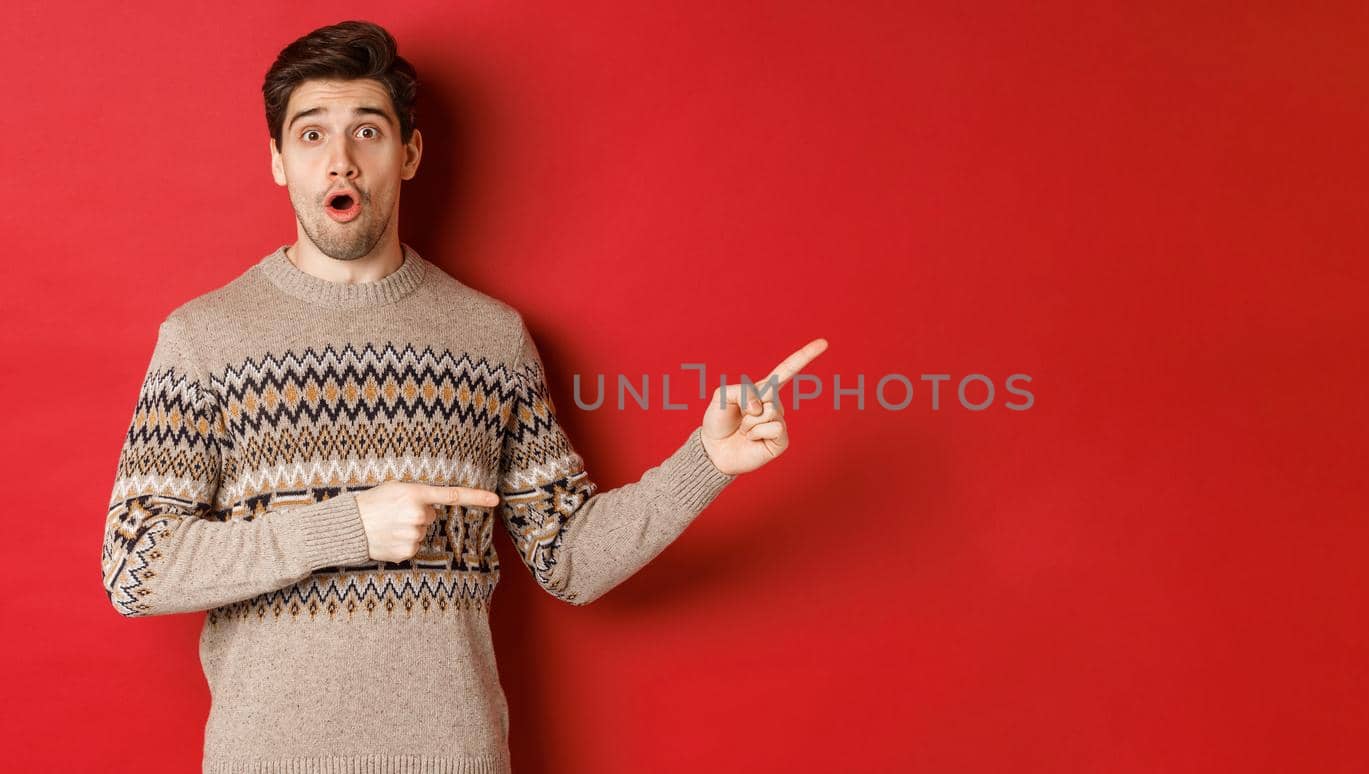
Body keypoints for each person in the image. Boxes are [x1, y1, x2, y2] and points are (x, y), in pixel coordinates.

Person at [98, 19, 827, 773]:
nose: (340, 161)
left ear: (407, 153)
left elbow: (570, 560)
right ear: (278, 161)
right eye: (311, 136)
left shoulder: (490, 339)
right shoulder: (205, 340)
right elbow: (133, 567)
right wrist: (345, 527)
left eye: (368, 132)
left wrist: (706, 461)